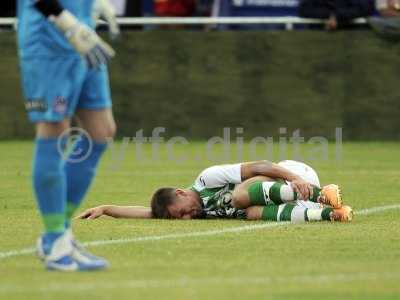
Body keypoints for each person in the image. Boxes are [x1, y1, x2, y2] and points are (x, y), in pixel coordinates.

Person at [17, 0, 119, 271]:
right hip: (49, 39)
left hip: (83, 37)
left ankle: (58, 236)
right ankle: (56, 237)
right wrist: (64, 18)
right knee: (55, 129)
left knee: (101, 132)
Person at [78, 160, 353, 223]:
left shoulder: (207, 179)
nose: (187, 218)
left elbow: (261, 166)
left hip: (296, 176)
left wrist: (295, 179)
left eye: (182, 212)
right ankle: (329, 214)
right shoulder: (198, 210)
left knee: (239, 198)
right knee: (251, 213)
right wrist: (105, 208)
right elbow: (148, 212)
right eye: (180, 219)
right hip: (287, 200)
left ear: (181, 193)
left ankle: (321, 194)